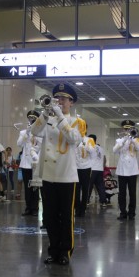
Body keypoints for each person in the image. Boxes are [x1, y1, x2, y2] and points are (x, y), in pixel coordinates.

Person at [31, 83, 83, 266]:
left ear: (71, 102)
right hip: (48, 175)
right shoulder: (48, 120)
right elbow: (34, 131)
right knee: (50, 217)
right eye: (57, 98)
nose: (59, 101)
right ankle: (53, 250)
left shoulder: (78, 122)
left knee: (66, 217)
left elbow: (73, 139)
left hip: (66, 175)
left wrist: (60, 116)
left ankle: (65, 252)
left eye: (63, 98)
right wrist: (45, 113)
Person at [113, 120, 139, 221]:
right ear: (123, 129)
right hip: (121, 170)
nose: (127, 130)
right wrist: (124, 139)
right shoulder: (119, 140)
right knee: (122, 194)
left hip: (132, 171)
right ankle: (123, 212)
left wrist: (132, 138)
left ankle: (131, 213)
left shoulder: (136, 140)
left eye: (129, 129)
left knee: (132, 193)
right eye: (126, 129)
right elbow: (114, 150)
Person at [18, 110, 42, 216]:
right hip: (25, 163)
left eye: (34, 118)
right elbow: (19, 144)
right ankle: (28, 208)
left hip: (35, 162)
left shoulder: (41, 132)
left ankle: (35, 208)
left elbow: (41, 146)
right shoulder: (23, 132)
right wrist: (27, 133)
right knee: (27, 187)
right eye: (30, 118)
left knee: (35, 186)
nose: (31, 120)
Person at [74, 125, 92, 218]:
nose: (80, 129)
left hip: (86, 167)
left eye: (82, 128)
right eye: (79, 128)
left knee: (85, 189)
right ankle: (77, 209)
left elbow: (92, 152)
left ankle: (83, 208)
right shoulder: (74, 139)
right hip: (76, 167)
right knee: (76, 190)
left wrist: (86, 144)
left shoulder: (90, 140)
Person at [87, 134, 107, 208]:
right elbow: (104, 159)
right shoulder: (101, 148)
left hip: (92, 169)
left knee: (89, 185)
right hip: (100, 170)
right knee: (100, 186)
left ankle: (87, 200)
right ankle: (103, 201)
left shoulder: (89, 148)